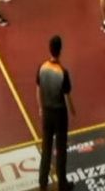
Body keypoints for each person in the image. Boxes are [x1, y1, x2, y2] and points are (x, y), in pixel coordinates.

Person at [36, 35, 76, 191]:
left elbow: (38, 90)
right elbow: (66, 95)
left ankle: (42, 182)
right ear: (60, 50)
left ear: (50, 49)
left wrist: (40, 107)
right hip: (60, 114)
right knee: (60, 149)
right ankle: (62, 183)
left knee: (46, 148)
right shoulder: (63, 72)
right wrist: (72, 110)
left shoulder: (42, 68)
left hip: (47, 112)